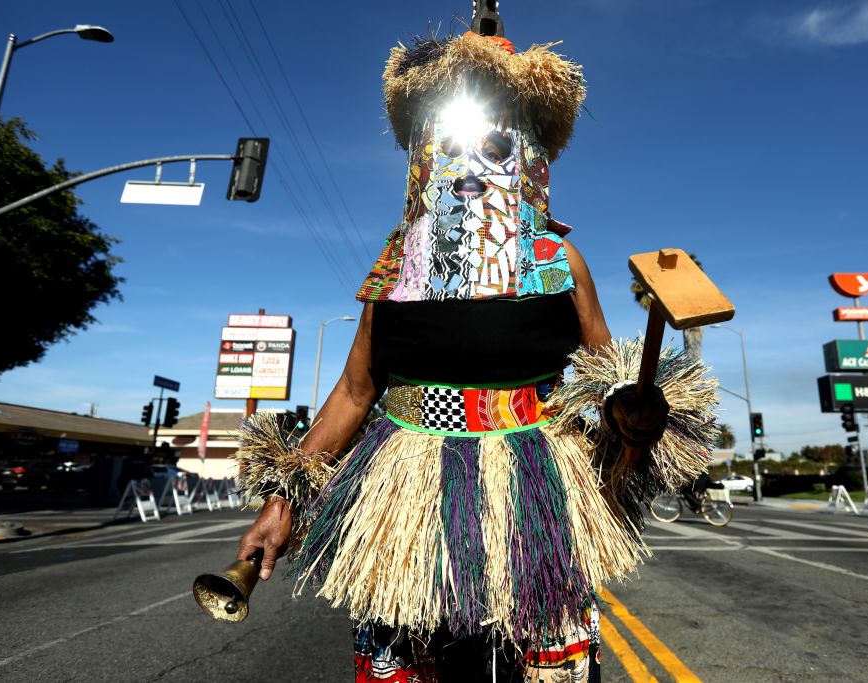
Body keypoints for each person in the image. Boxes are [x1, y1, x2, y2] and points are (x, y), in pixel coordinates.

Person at [233, 22, 718, 683]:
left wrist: (634, 410)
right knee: (402, 662)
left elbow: (607, 376)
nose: (471, 165)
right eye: (452, 145)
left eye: (495, 142)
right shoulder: (397, 263)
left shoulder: (556, 259)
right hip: (405, 487)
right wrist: (282, 498)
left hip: (534, 485)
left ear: (526, 153)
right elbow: (354, 392)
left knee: (551, 664)